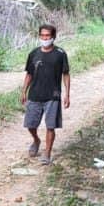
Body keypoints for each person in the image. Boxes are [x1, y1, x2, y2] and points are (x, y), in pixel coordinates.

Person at [20, 24, 70, 165]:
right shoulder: (34, 54)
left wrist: (67, 94)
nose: (45, 38)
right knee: (30, 125)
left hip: (53, 96)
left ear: (53, 37)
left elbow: (66, 74)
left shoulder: (60, 54)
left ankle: (47, 152)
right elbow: (29, 74)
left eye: (47, 36)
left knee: (50, 126)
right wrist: (24, 90)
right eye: (42, 35)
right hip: (35, 94)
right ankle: (36, 140)